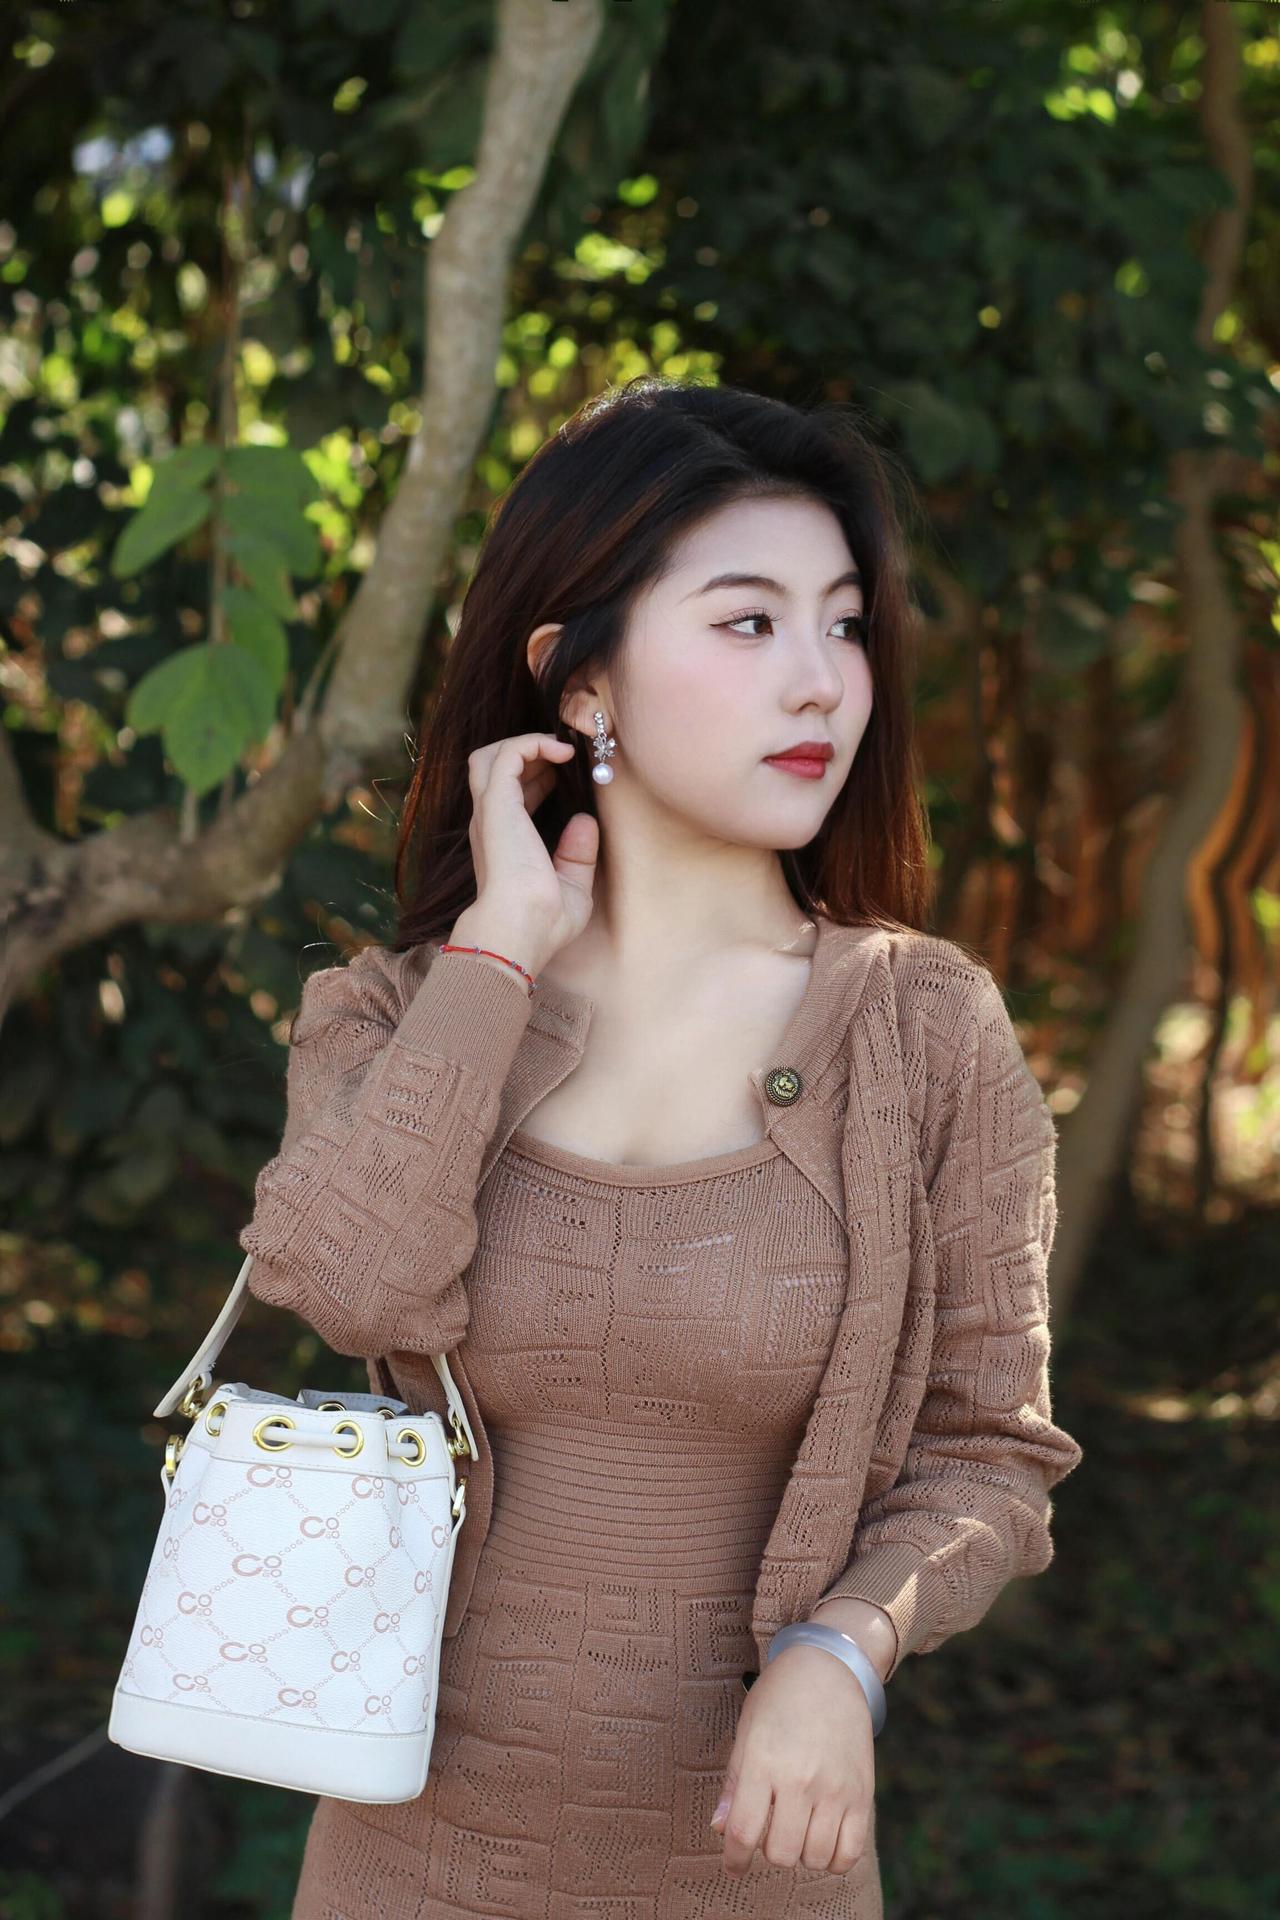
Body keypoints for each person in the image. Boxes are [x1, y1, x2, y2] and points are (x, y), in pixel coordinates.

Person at [239, 375, 1083, 1917]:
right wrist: (496, 958)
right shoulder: (398, 1014)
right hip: (406, 1861)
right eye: (750, 623)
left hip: (753, 1873)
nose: (822, 683)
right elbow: (353, 1289)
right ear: (584, 685)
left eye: (844, 625)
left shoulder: (925, 1032)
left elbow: (990, 1450)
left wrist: (842, 1650)